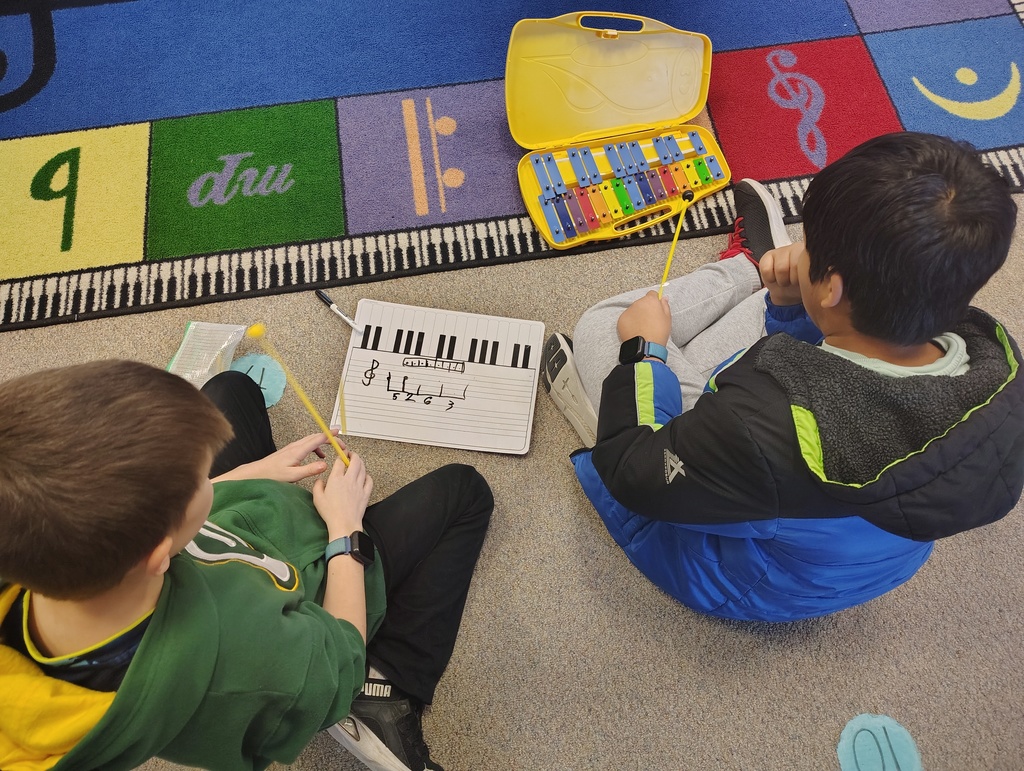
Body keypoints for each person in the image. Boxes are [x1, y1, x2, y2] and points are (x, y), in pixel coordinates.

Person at [543, 131, 1024, 622]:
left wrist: (642, 353)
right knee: (785, 303)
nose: (800, 253)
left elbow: (636, 476)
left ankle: (740, 270)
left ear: (833, 287)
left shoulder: (757, 423)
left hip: (747, 579)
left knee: (607, 324)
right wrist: (794, 304)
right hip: (842, 553)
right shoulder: (993, 360)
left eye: (808, 246)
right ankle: (754, 274)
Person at [0, 361, 493, 771]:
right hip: (323, 585)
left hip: (232, 533)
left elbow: (185, 518)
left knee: (230, 388)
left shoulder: (39, 552)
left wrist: (253, 474)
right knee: (464, 491)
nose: (210, 472)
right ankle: (388, 683)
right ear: (158, 552)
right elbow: (335, 663)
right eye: (201, 477)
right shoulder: (238, 661)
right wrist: (346, 530)